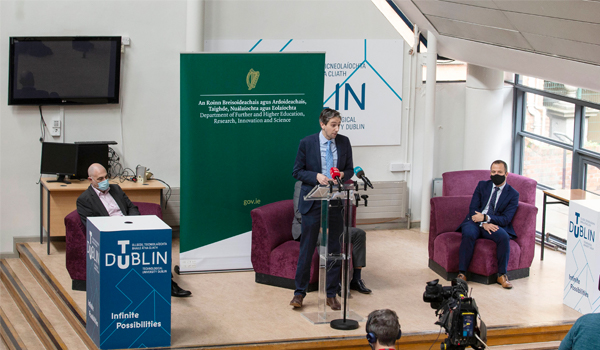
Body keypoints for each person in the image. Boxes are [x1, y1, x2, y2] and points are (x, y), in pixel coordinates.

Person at [76, 163, 191, 297]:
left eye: (106, 177)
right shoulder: (84, 200)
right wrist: (117, 228)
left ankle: (166, 282)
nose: (105, 181)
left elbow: (131, 207)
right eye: (100, 179)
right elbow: (92, 225)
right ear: (91, 180)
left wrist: (134, 223)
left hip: (130, 228)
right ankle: (158, 285)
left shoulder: (116, 189)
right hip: (111, 235)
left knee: (156, 243)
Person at [289, 108, 354, 310]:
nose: (336, 129)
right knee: (307, 249)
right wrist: (316, 176)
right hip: (313, 202)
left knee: (335, 249)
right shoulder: (306, 143)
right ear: (322, 124)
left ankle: (331, 294)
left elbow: (350, 169)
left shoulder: (344, 142)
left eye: (338, 125)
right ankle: (299, 293)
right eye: (333, 125)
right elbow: (297, 171)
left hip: (335, 201)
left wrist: (341, 174)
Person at [292, 181, 371, 294]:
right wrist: (322, 228)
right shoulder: (302, 185)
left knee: (359, 234)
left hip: (331, 227)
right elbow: (299, 213)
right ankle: (333, 282)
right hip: (308, 227)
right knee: (327, 239)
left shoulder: (334, 184)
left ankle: (356, 279)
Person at [456, 160, 519, 289]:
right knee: (468, 233)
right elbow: (473, 208)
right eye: (493, 172)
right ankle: (462, 273)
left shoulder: (513, 194)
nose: (496, 174)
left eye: (499, 172)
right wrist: (483, 222)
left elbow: (506, 219)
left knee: (504, 237)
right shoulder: (482, 185)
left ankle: (501, 275)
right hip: (474, 221)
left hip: (493, 223)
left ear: (506, 174)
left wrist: (487, 219)